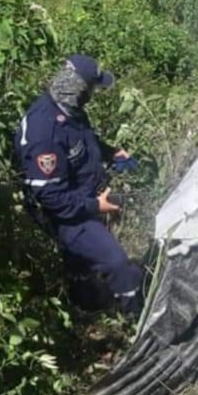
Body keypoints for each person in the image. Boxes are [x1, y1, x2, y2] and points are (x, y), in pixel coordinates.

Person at [17, 54, 144, 317]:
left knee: (83, 270)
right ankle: (136, 317)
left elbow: (85, 142)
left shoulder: (71, 111)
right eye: (92, 88)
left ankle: (89, 306)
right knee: (119, 264)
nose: (93, 94)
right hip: (67, 215)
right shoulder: (44, 132)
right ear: (79, 88)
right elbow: (50, 196)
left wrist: (111, 153)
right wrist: (95, 206)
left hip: (83, 200)